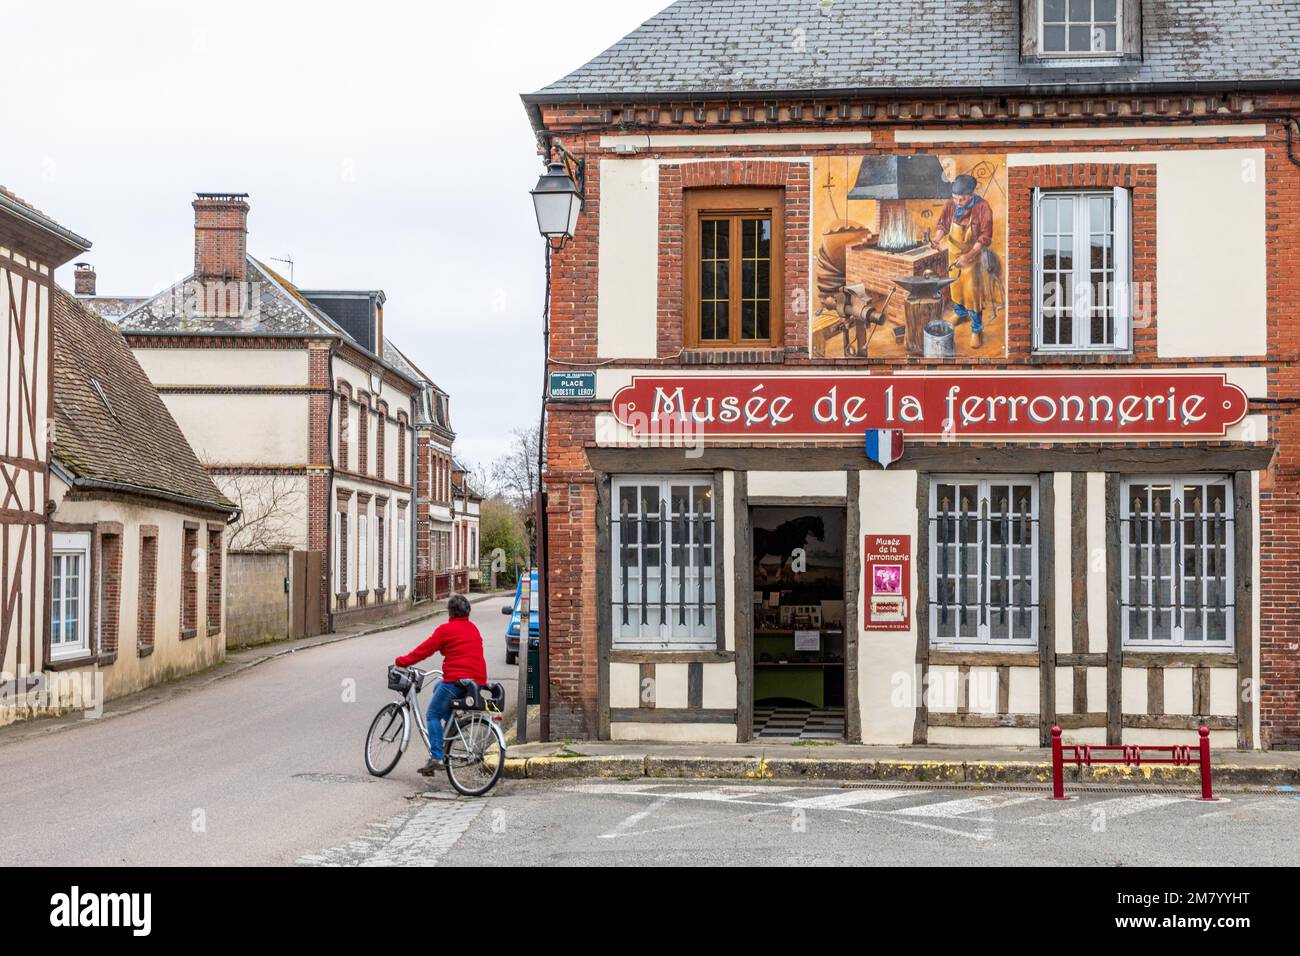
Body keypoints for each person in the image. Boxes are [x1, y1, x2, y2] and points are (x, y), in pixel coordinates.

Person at [394, 594, 487, 776]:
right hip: (476, 682)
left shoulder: (446, 630)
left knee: (432, 714)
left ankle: (437, 757)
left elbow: (424, 650)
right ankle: (444, 738)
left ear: (450, 612)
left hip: (457, 680)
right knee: (438, 685)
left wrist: (402, 661)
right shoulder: (473, 628)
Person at [930, 174, 995, 349]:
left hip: (972, 257)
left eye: (962, 198)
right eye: (955, 198)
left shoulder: (983, 207)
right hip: (953, 253)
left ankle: (976, 329)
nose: (958, 202)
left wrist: (969, 256)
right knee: (956, 287)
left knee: (972, 295)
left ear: (971, 194)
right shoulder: (951, 205)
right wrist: (937, 239)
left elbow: (985, 237)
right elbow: (943, 224)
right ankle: (960, 313)